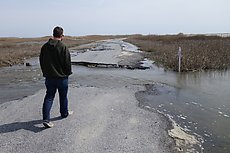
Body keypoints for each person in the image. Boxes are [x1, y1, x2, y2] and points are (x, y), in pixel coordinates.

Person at [39, 26, 73, 128]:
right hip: (62, 77)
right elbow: (67, 63)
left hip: (49, 77)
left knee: (49, 97)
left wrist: (45, 72)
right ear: (62, 35)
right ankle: (64, 113)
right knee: (63, 96)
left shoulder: (44, 47)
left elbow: (41, 61)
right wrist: (68, 73)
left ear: (53, 34)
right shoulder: (63, 47)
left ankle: (46, 119)